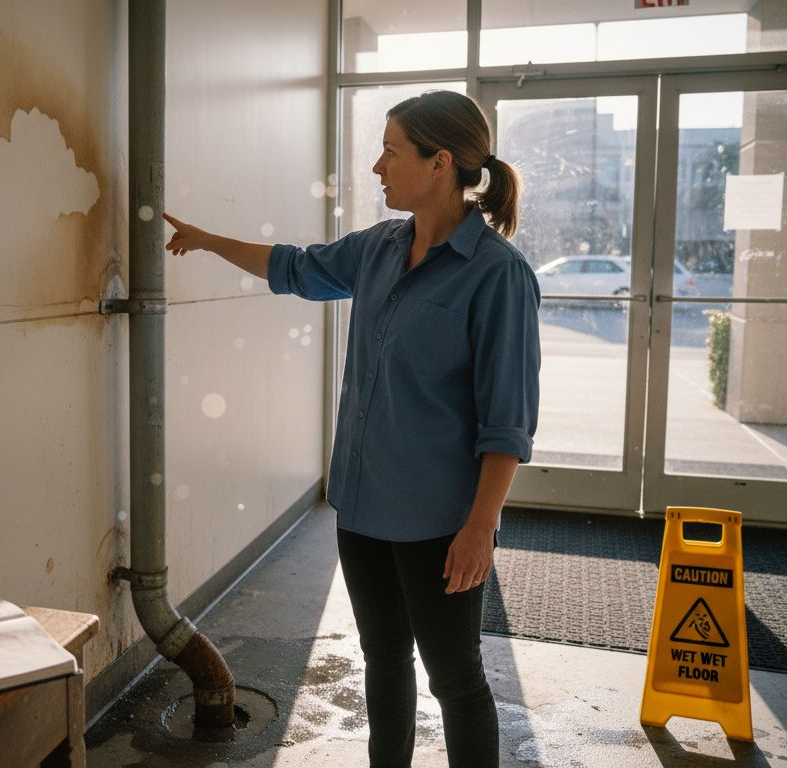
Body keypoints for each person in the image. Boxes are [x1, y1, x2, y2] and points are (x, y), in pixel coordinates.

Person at [163, 89, 540, 768]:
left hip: (440, 524)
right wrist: (209, 240)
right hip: (363, 509)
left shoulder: (497, 275)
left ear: (440, 163)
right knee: (383, 660)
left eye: (391, 152)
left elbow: (506, 421)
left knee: (455, 681)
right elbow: (296, 267)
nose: (377, 167)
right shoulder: (380, 247)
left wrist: (480, 527)